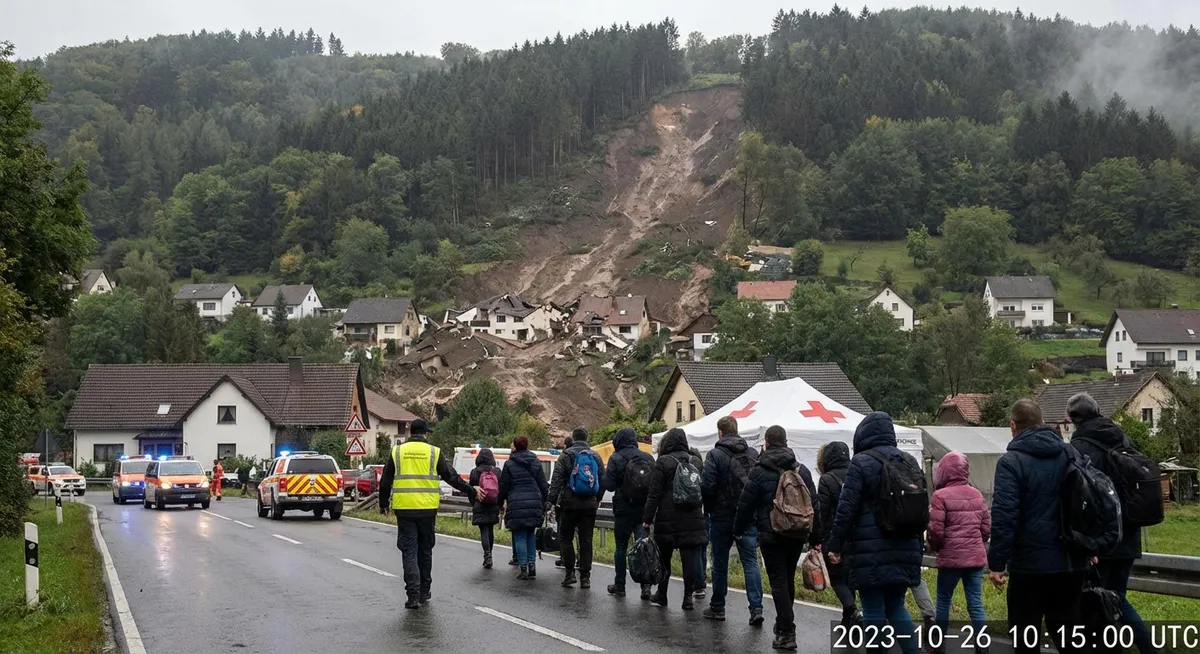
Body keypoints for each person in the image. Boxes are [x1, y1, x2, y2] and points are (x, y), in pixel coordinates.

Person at [988, 399, 1089, 653]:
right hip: (1071, 561)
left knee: (1025, 637)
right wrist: (1090, 547)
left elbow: (1005, 516)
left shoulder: (1011, 462)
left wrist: (997, 563)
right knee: (1070, 637)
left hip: (1029, 565)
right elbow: (1087, 502)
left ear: (1013, 425)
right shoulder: (1071, 454)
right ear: (1042, 423)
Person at [1066, 393, 1158, 654]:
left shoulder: (1080, 447)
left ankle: (1147, 649)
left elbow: (1081, 497)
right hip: (1129, 533)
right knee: (1115, 599)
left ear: (1071, 418)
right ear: (1097, 411)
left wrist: (1085, 542)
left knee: (1101, 600)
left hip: (1102, 540)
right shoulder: (1121, 437)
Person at [827, 412, 922, 654]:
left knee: (872, 608)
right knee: (896, 606)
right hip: (906, 546)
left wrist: (835, 546)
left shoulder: (860, 463)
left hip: (870, 550)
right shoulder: (909, 461)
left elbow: (846, 509)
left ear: (863, 435)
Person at [379, 419, 482, 609]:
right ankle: (424, 592)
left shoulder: (397, 452)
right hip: (427, 510)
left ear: (410, 433)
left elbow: (385, 481)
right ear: (426, 433)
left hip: (404, 510)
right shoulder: (434, 452)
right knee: (425, 551)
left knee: (409, 551)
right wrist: (470, 490)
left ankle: (412, 595)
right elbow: (451, 477)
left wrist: (383, 504)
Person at [733, 425, 820, 651]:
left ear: (767, 443)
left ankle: (787, 631)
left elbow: (745, 504)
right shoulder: (801, 470)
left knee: (778, 581)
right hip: (797, 533)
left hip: (771, 533)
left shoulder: (759, 471)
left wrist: (738, 529)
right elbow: (814, 504)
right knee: (787, 578)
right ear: (786, 442)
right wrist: (816, 536)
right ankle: (783, 625)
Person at [700, 415, 764, 625]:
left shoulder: (715, 455)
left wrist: (710, 509)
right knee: (750, 562)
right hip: (747, 517)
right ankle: (756, 608)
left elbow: (707, 486)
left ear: (720, 433)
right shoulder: (751, 453)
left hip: (721, 517)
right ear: (737, 430)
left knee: (720, 562)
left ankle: (718, 606)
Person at [928, 452, 990, 654]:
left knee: (944, 600)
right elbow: (986, 528)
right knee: (975, 603)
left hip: (950, 558)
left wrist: (937, 546)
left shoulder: (940, 496)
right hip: (975, 558)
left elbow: (936, 531)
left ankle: (939, 645)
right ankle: (983, 647)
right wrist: (976, 543)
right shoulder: (977, 494)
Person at [643, 428, 708, 610]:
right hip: (693, 518)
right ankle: (687, 598)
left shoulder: (663, 462)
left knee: (665, 559)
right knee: (689, 561)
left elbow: (654, 494)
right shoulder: (694, 461)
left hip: (668, 519)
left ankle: (662, 594)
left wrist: (647, 518)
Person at [603, 426, 655, 599]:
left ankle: (620, 585)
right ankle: (646, 587)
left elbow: (609, 485)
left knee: (621, 547)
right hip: (643, 510)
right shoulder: (647, 458)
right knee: (643, 547)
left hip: (623, 510)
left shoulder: (616, 458)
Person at [548, 428, 604, 589]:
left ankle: (570, 573)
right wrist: (597, 498)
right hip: (589, 504)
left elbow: (556, 479)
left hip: (569, 503)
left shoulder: (566, 455)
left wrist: (551, 501)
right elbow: (603, 479)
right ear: (587, 438)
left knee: (566, 538)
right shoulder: (595, 456)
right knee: (586, 539)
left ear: (573, 438)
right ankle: (585, 577)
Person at [817, 441, 861, 627]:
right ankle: (848, 618)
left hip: (833, 534)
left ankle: (852, 610)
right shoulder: (856, 474)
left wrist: (818, 537)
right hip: (856, 534)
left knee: (835, 577)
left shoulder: (826, 480)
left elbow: (822, 511)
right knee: (849, 575)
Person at [498, 436, 549, 581]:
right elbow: (543, 484)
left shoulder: (509, 464)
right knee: (531, 534)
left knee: (520, 536)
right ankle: (532, 566)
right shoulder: (535, 461)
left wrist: (500, 503)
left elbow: (503, 486)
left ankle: (523, 568)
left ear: (514, 446)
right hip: (534, 501)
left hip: (516, 502)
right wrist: (546, 502)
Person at [468, 448, 502, 569]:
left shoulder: (474, 472)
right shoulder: (497, 471)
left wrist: (474, 502)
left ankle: (487, 555)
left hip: (480, 503)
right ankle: (490, 554)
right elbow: (501, 489)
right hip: (493, 504)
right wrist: (499, 503)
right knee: (490, 529)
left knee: (484, 530)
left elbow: (470, 490)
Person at [689, 446, 709, 600]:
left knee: (694, 550)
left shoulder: (686, 470)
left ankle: (698, 584)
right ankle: (702, 579)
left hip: (691, 515)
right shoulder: (703, 470)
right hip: (704, 514)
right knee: (702, 548)